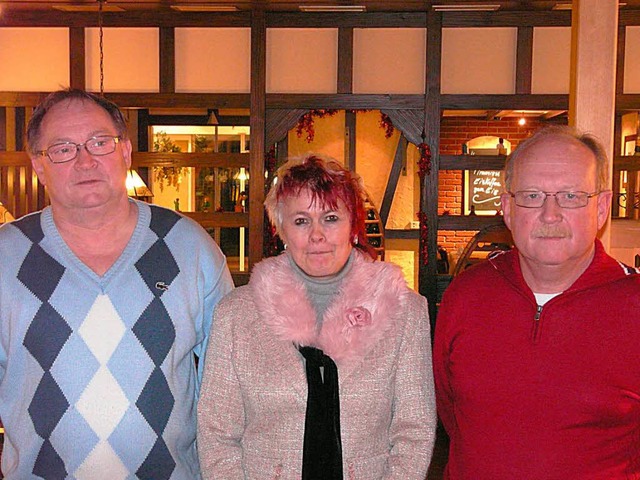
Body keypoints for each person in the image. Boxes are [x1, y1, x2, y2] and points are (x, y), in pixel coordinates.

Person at [0, 89, 234, 478]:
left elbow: (229, 388)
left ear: (125, 151)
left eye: (99, 142)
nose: (85, 160)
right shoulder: (6, 256)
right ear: (39, 166)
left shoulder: (187, 247)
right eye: (62, 149)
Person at [197, 154, 436, 479]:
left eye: (331, 218)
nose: (317, 235)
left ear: (353, 224)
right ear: (281, 230)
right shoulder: (236, 315)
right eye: (301, 221)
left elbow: (414, 431)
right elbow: (216, 434)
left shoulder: (405, 311)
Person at [434, 125, 640, 479]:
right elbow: (449, 411)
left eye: (571, 196)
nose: (550, 214)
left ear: (602, 207)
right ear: (507, 208)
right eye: (531, 196)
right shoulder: (465, 296)